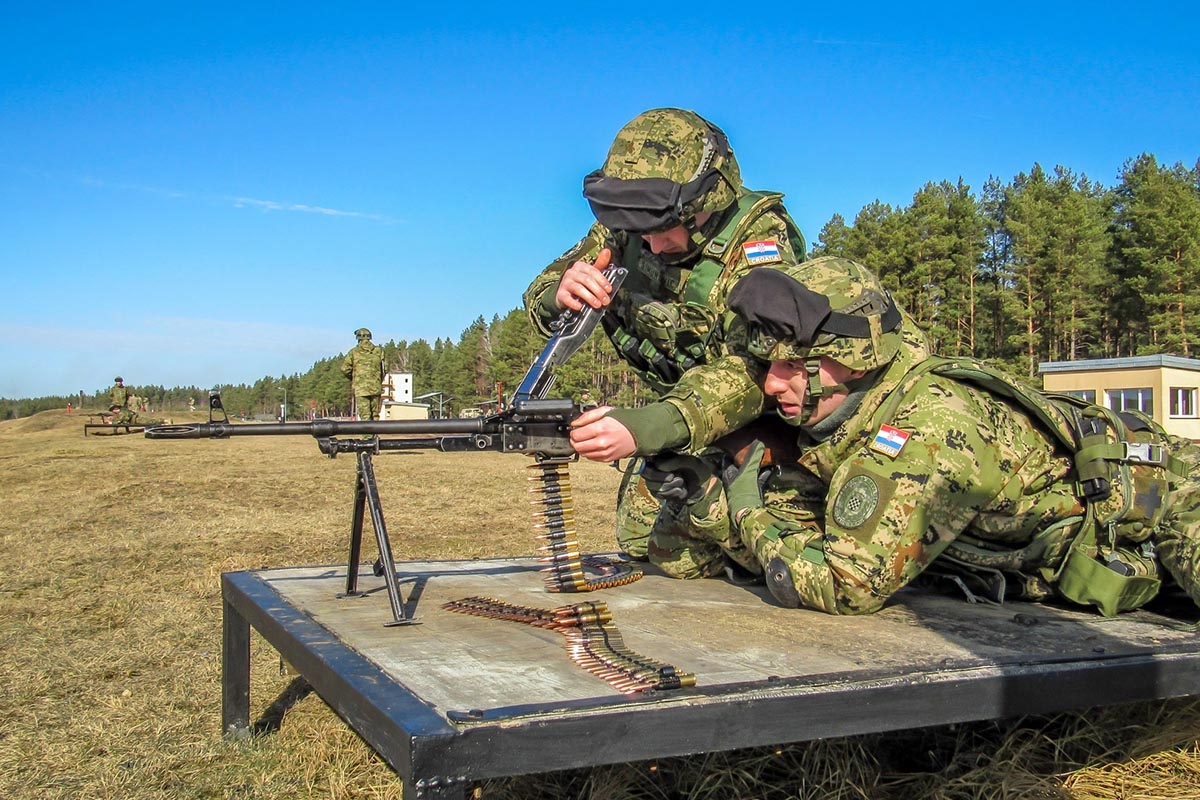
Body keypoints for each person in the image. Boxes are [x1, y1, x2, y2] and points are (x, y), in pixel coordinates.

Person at [685, 255, 1200, 617]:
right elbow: (803, 538)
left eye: (795, 365)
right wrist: (711, 501)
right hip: (1104, 542)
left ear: (855, 361)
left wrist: (747, 504)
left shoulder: (924, 425)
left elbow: (847, 584)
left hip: (1175, 500)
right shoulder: (847, 419)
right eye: (770, 364)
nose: (773, 383)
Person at [522, 107, 807, 576]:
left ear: (705, 204)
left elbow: (755, 369)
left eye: (661, 231)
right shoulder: (629, 223)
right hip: (673, 422)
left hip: (750, 431)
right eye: (640, 232)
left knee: (727, 557)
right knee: (638, 541)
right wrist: (559, 292)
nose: (649, 246)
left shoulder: (760, 244)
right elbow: (544, 288)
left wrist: (645, 427)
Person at [341, 328, 385, 420]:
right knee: (375, 415)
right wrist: (377, 380)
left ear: (358, 338)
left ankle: (368, 435)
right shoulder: (379, 351)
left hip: (361, 389)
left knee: (365, 417)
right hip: (375, 387)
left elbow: (345, 369)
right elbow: (384, 369)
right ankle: (375, 434)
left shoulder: (353, 352)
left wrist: (355, 378)